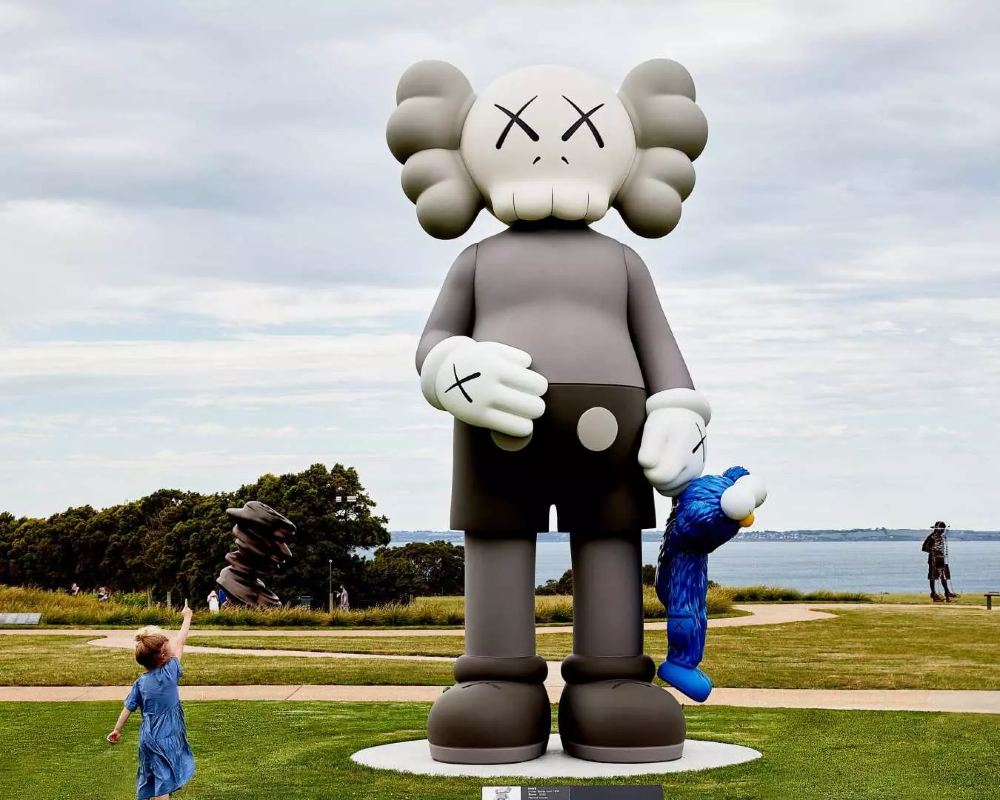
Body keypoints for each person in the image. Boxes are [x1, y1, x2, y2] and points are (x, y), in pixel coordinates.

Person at [106, 601, 196, 800]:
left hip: (148, 736)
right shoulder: (170, 672)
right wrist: (187, 617)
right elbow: (181, 642)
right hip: (165, 735)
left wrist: (117, 730)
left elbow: (127, 708)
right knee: (164, 782)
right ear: (164, 654)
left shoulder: (140, 683)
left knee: (155, 775)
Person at [922, 521, 958, 603]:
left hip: (941, 558)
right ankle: (934, 594)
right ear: (938, 529)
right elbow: (924, 548)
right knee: (933, 576)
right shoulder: (932, 537)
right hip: (933, 559)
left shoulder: (941, 537)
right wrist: (934, 552)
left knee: (943, 575)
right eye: (942, 529)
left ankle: (947, 592)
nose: (943, 531)